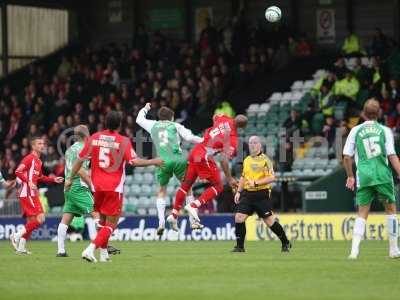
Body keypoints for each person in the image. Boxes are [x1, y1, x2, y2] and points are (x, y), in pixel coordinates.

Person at [65, 111, 163, 263]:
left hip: (96, 187)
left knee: (103, 222)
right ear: (120, 124)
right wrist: (154, 161)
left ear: (105, 123)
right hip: (113, 187)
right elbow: (134, 162)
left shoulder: (94, 138)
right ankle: (90, 249)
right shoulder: (123, 141)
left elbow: (78, 161)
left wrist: (70, 178)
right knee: (112, 223)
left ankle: (104, 255)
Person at [166, 114, 248, 229]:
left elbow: (215, 116)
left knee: (186, 185)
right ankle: (194, 205)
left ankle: (174, 215)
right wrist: (230, 178)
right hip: (204, 156)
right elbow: (224, 160)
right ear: (243, 127)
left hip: (196, 151)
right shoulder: (233, 139)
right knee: (219, 186)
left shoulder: (224, 118)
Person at [343, 99, 400, 259]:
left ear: (363, 113)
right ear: (379, 113)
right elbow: (392, 155)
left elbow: (346, 157)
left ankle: (354, 251)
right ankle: (394, 249)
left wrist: (350, 176)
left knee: (362, 213)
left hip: (364, 177)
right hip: (383, 176)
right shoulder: (385, 130)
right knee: (391, 211)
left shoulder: (355, 130)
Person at [136, 103, 203, 235]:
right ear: (171, 117)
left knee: (162, 191)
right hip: (178, 160)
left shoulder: (153, 125)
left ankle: (161, 222)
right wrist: (204, 140)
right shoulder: (175, 125)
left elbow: (138, 119)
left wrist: (145, 108)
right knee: (187, 188)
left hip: (162, 161)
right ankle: (193, 220)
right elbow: (190, 138)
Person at [232, 136, 291, 253]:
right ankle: (240, 247)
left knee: (269, 221)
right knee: (239, 217)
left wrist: (256, 182)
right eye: (250, 143)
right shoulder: (247, 160)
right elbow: (243, 177)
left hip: (261, 194)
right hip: (247, 194)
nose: (252, 145)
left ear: (260, 145)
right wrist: (238, 191)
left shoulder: (266, 161)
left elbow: (272, 177)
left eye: (254, 143)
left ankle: (285, 242)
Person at [10, 136, 64, 254]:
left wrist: (53, 179)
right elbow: (18, 171)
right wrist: (28, 181)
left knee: (32, 221)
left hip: (32, 192)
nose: (42, 145)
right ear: (33, 146)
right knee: (41, 219)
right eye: (39, 144)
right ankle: (16, 235)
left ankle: (21, 248)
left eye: (43, 144)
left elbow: (39, 177)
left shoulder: (39, 161)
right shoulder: (29, 158)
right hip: (27, 192)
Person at [56, 125, 94, 257]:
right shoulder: (84, 148)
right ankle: (101, 244)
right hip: (78, 185)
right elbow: (80, 170)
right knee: (97, 210)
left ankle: (61, 250)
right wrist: (92, 185)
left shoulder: (70, 149)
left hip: (68, 185)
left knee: (66, 217)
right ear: (86, 135)